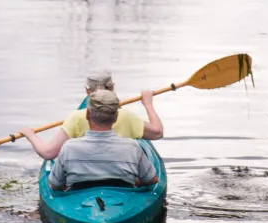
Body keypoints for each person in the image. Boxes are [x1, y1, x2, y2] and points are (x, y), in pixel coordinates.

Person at [20, 71, 164, 161]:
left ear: (87, 91)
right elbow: (157, 133)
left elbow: (48, 153)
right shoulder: (126, 116)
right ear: (113, 87)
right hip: (122, 178)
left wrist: (30, 135)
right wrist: (148, 104)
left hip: (83, 181)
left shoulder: (76, 118)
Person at [41, 90, 159, 191]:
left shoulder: (68, 147)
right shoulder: (132, 147)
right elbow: (152, 179)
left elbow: (55, 184)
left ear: (87, 114)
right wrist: (133, 180)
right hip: (121, 198)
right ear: (116, 117)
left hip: (79, 199)